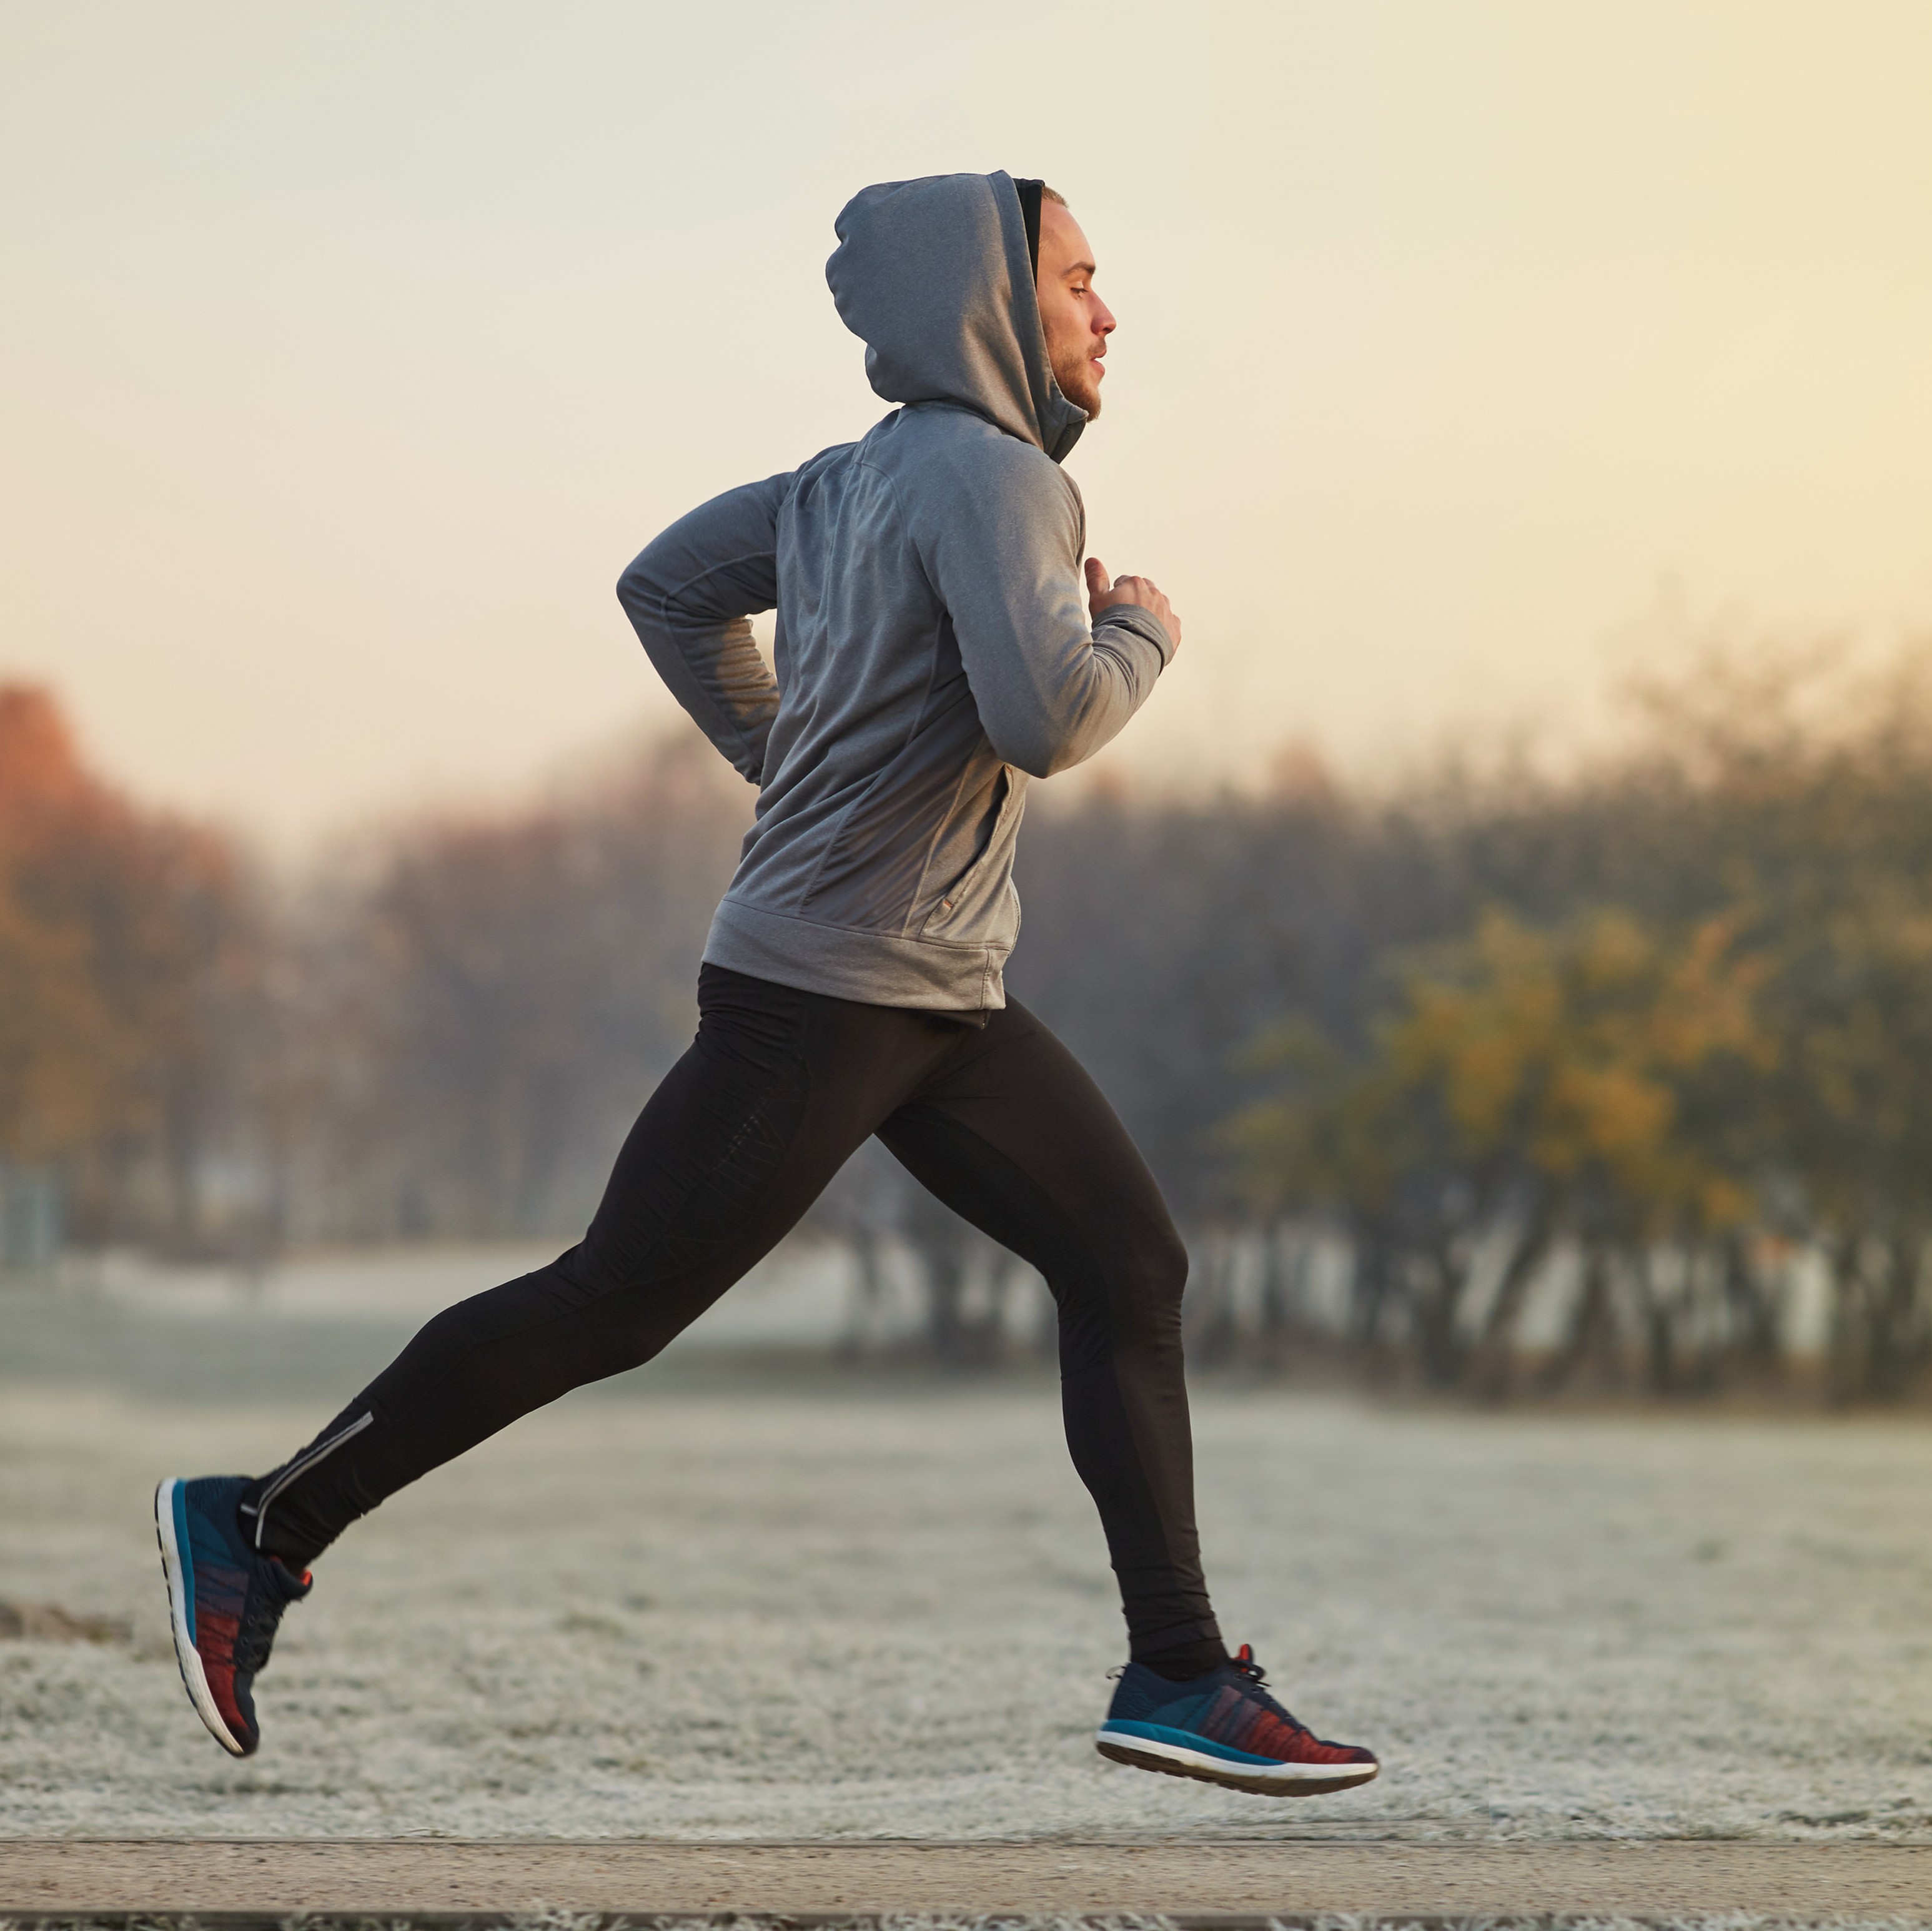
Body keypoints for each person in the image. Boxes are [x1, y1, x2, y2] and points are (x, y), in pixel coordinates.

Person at [148, 171, 1378, 1797]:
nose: (1106, 309)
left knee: (1128, 1263)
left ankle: (1174, 1668)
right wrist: (1140, 632)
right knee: (616, 1297)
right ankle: (255, 1525)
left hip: (935, 993)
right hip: (832, 994)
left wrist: (779, 754)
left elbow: (666, 581)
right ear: (995, 301)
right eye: (1080, 277)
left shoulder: (845, 482)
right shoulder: (1004, 486)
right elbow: (1048, 719)